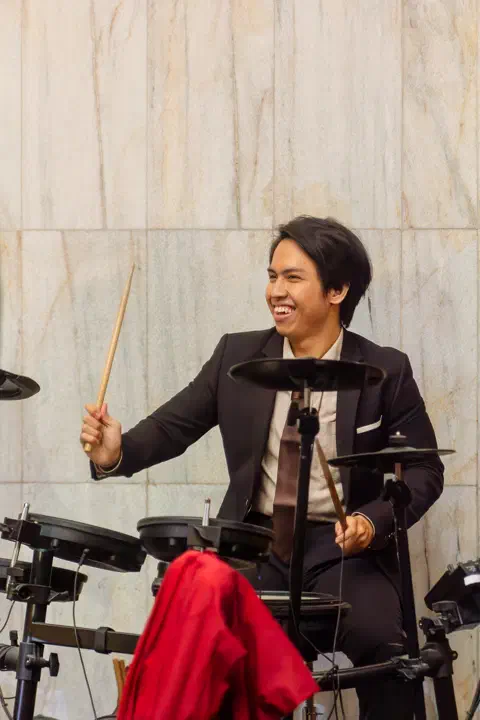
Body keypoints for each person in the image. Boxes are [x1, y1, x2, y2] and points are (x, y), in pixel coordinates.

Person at [80, 216, 443, 719]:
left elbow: (424, 471)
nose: (276, 291)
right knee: (206, 645)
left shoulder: (386, 368)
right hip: (255, 547)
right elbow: (172, 426)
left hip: (345, 553)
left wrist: (371, 521)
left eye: (293, 278)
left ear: (337, 290)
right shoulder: (237, 354)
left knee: (387, 648)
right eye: (272, 276)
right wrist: (115, 452)